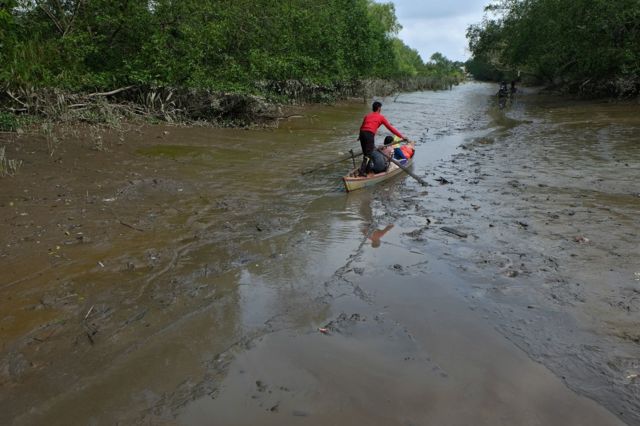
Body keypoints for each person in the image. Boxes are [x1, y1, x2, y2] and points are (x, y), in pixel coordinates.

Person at [358, 101, 406, 176]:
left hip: (362, 134)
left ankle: (366, 171)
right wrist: (402, 136)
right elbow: (390, 128)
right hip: (369, 135)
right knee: (368, 155)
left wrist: (359, 137)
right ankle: (362, 172)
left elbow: (362, 127)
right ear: (379, 108)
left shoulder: (367, 116)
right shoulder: (381, 117)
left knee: (366, 153)